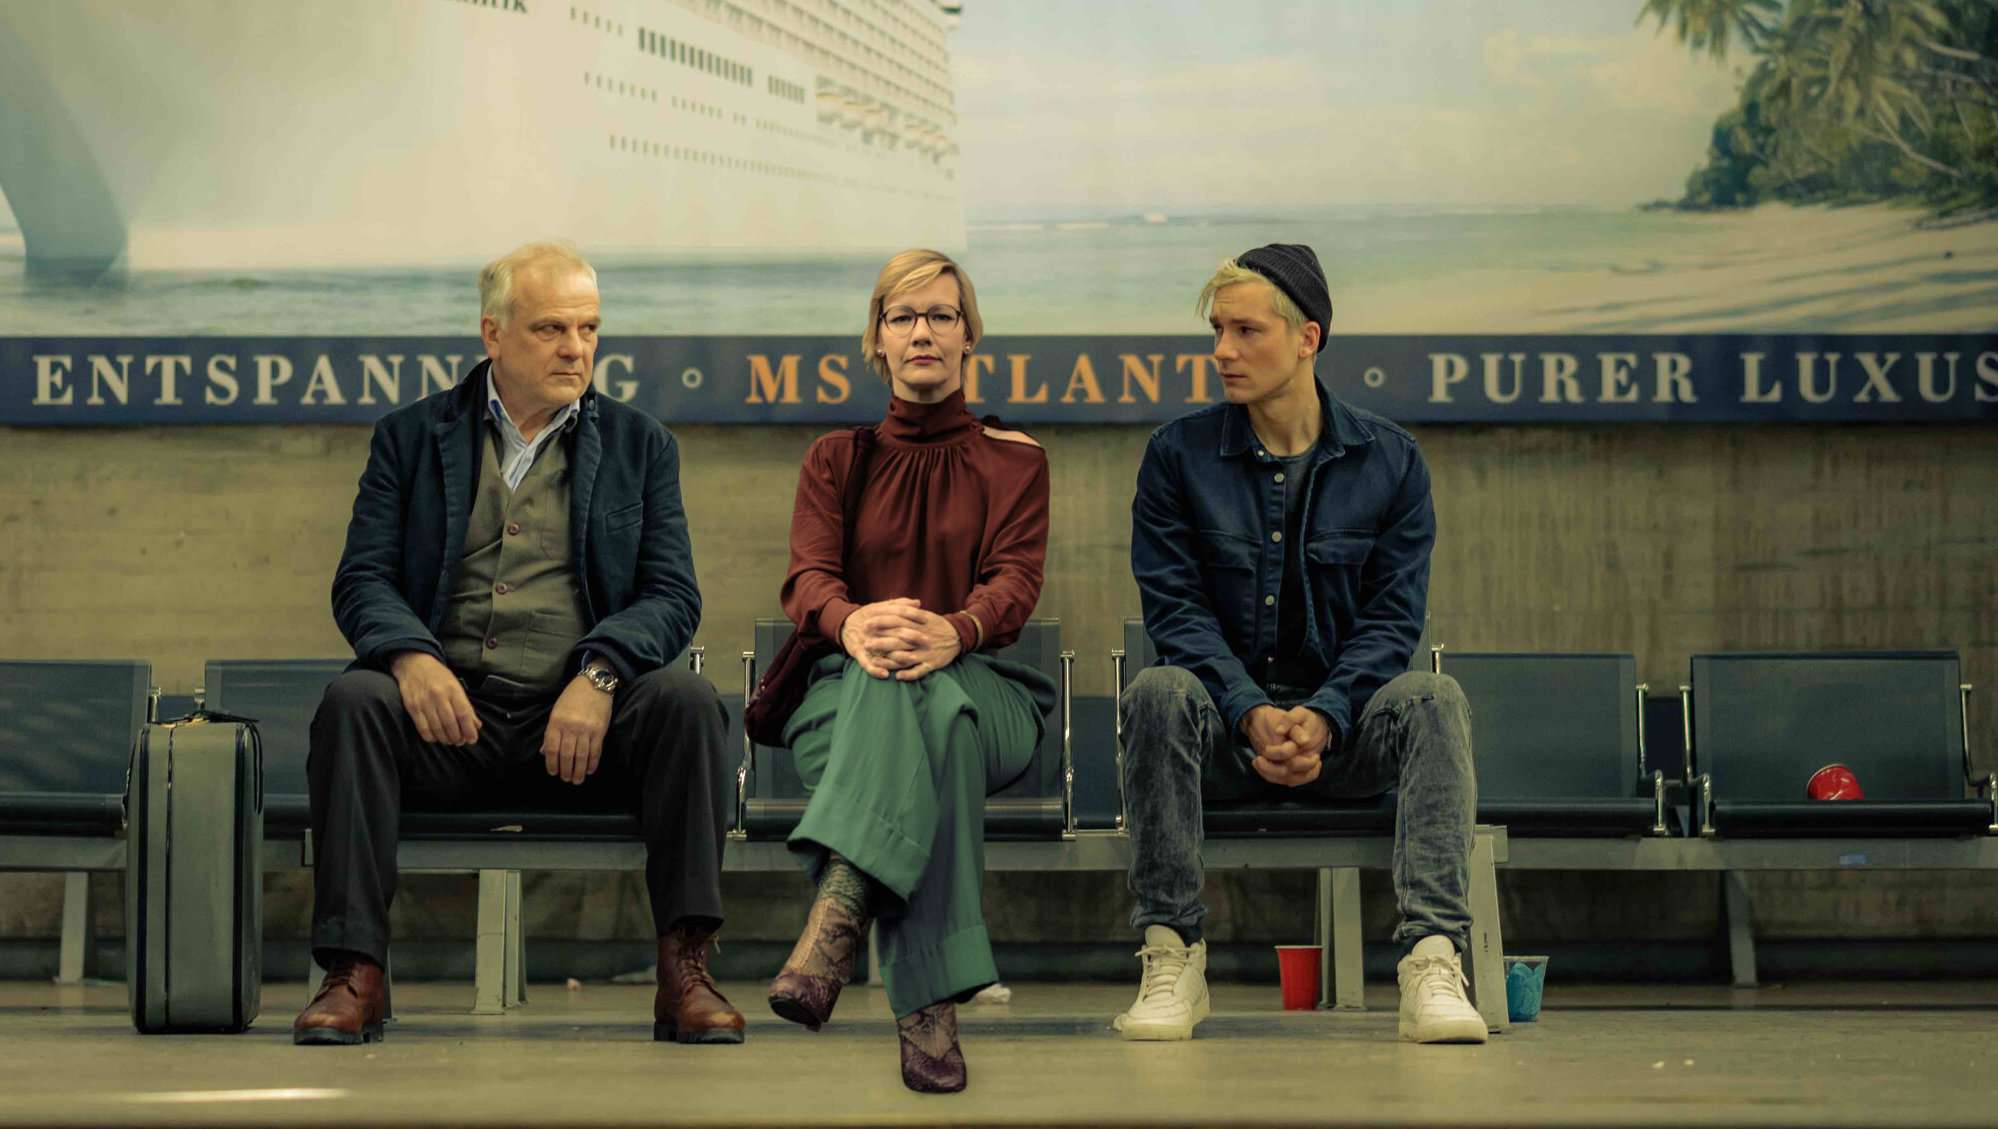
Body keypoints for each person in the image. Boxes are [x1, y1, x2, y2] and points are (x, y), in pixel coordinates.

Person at [295, 242, 739, 1047]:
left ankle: (687, 969)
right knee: (354, 703)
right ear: (493, 335)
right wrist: (411, 658)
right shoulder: (408, 437)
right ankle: (354, 971)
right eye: (551, 329)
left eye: (589, 328)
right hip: (447, 724)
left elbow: (673, 596)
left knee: (689, 703)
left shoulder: (642, 447)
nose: (577, 348)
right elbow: (362, 580)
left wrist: (601, 674)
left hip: (582, 736)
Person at [1116, 244, 1487, 1045]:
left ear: (1307, 337)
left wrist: (1322, 715)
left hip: (1344, 740)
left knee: (1434, 697)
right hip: (1221, 737)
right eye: (1217, 330)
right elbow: (1175, 614)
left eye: (1246, 330)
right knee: (1157, 691)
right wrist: (1251, 713)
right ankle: (1173, 953)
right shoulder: (1176, 457)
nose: (1222, 351)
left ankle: (1431, 960)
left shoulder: (1391, 461)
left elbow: (1393, 622)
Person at [765, 248, 1053, 1093]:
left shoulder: (1016, 459)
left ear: (970, 339)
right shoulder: (834, 459)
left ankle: (839, 911)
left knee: (948, 703)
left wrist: (953, 632)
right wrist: (856, 624)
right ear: (877, 342)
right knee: (935, 724)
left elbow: (1015, 583)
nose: (922, 331)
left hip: (989, 688)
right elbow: (807, 579)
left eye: (941, 315)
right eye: (903, 317)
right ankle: (928, 1005)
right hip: (842, 700)